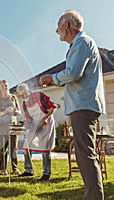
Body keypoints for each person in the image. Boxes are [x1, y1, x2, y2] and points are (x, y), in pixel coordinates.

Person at [40, 10, 105, 199]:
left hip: (83, 107)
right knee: (85, 153)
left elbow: (73, 73)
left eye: (58, 25)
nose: (56, 30)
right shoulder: (79, 45)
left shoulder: (83, 43)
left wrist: (50, 78)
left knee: (85, 154)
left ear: (66, 25)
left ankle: (94, 196)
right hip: (82, 106)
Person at [17, 83, 57, 181]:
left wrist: (45, 118)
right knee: (27, 145)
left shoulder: (38, 96)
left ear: (27, 91)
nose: (22, 97)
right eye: (20, 95)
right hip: (35, 124)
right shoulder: (24, 104)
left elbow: (52, 108)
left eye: (23, 94)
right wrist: (24, 121)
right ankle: (28, 170)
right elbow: (29, 119)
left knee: (45, 147)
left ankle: (46, 173)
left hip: (46, 122)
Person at [0, 80, 21, 175]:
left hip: (13, 125)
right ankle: (3, 169)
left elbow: (19, 111)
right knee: (3, 148)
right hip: (1, 126)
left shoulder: (13, 97)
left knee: (14, 148)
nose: (4, 87)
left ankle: (15, 168)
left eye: (6, 85)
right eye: (2, 86)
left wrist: (15, 111)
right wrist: (4, 112)